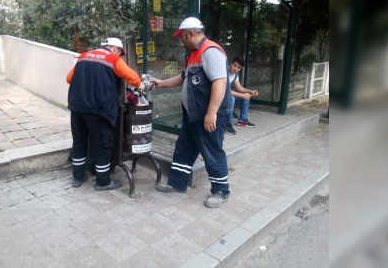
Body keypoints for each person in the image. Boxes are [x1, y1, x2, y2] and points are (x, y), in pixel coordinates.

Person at [151, 17, 232, 208]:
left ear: (191, 33)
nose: (181, 41)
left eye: (182, 36)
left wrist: (211, 113)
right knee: (184, 148)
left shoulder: (210, 51)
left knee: (212, 151)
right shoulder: (192, 54)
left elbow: (220, 82)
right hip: (193, 114)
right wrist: (161, 83)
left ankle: (221, 191)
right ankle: (177, 183)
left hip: (208, 115)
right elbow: (183, 77)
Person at [66, 37, 144, 190]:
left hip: (77, 107)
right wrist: (141, 86)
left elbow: (69, 79)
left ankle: (78, 176)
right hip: (98, 109)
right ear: (115, 49)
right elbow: (131, 76)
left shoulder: (83, 56)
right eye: (120, 53)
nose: (120, 56)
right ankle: (103, 182)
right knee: (102, 144)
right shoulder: (112, 58)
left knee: (80, 141)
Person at [225, 56, 259, 135]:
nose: (235, 69)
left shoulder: (235, 75)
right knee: (232, 99)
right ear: (231, 64)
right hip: (218, 96)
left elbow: (239, 87)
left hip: (227, 95)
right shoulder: (224, 71)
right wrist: (241, 95)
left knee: (246, 96)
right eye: (235, 65)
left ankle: (242, 120)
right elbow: (225, 90)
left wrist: (250, 92)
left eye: (238, 67)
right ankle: (227, 124)